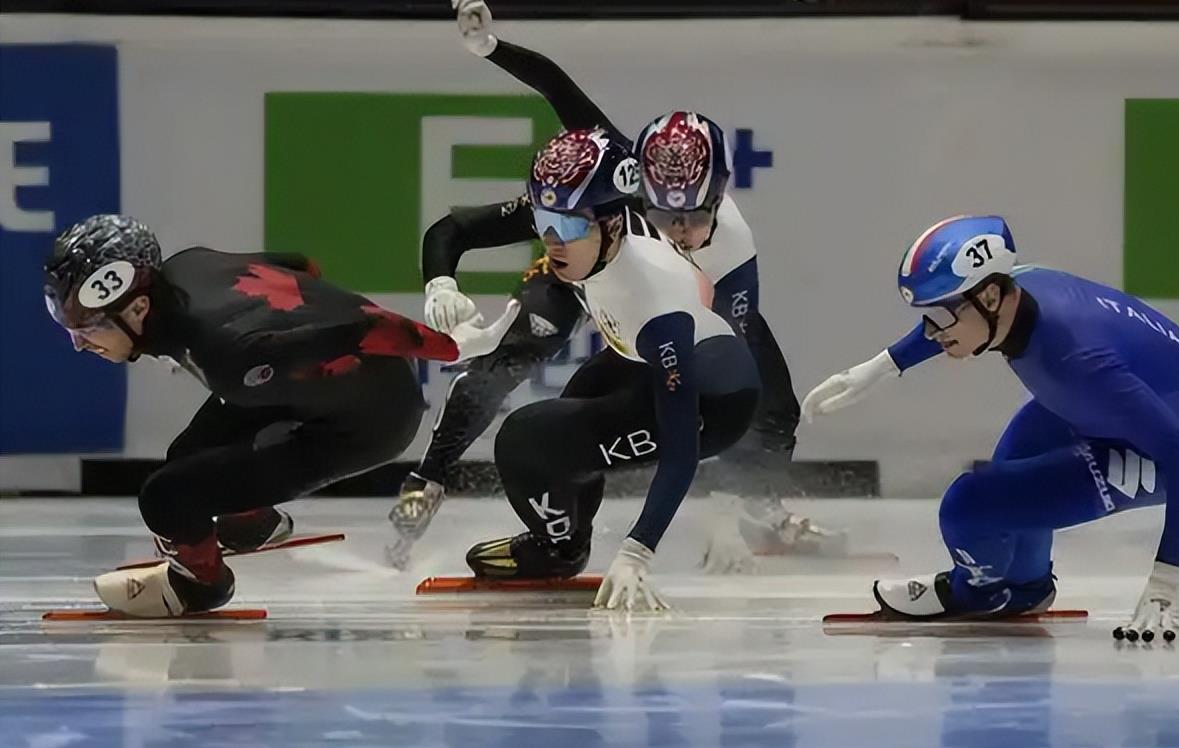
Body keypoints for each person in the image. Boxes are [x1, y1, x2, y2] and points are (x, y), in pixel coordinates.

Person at [388, 0, 843, 570]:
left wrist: (718, 516)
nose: (680, 230)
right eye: (663, 213)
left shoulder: (729, 251)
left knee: (773, 404)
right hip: (598, 277)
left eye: (696, 217)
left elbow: (736, 384)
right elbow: (558, 91)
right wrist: (489, 48)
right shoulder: (607, 187)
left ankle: (755, 503)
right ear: (636, 188)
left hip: (673, 314)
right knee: (512, 356)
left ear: (719, 198)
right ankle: (429, 480)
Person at [43, 215, 515, 617]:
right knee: (186, 457)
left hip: (369, 422)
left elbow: (362, 330)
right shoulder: (185, 266)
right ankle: (253, 525)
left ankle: (201, 584)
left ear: (139, 306)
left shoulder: (226, 352)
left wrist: (451, 346)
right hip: (303, 385)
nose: (80, 345)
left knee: (167, 498)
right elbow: (297, 266)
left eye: (90, 329)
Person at [803, 215, 1179, 639]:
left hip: (1171, 447)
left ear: (989, 295)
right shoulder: (1017, 285)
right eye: (925, 317)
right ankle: (1026, 589)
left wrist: (1165, 582)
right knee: (1010, 474)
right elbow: (951, 315)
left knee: (968, 506)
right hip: (1126, 401)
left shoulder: (1076, 361)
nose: (932, 332)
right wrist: (880, 368)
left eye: (940, 317)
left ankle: (976, 594)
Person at [465, 128, 761, 610]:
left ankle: (559, 551)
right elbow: (453, 232)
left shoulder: (654, 303)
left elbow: (682, 448)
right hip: (648, 357)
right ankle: (573, 536)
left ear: (613, 226)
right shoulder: (601, 242)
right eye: (545, 221)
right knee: (576, 405)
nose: (554, 241)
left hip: (715, 402)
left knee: (524, 439)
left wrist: (635, 551)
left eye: (573, 227)